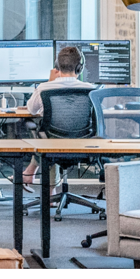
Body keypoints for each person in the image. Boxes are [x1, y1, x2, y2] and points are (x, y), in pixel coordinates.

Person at [22, 45, 95, 182]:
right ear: (80, 68)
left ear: (57, 66)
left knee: (47, 138)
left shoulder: (44, 88)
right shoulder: (91, 90)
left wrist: (50, 82)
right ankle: (44, 185)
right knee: (51, 139)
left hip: (53, 143)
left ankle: (46, 188)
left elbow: (31, 110)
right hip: (82, 143)